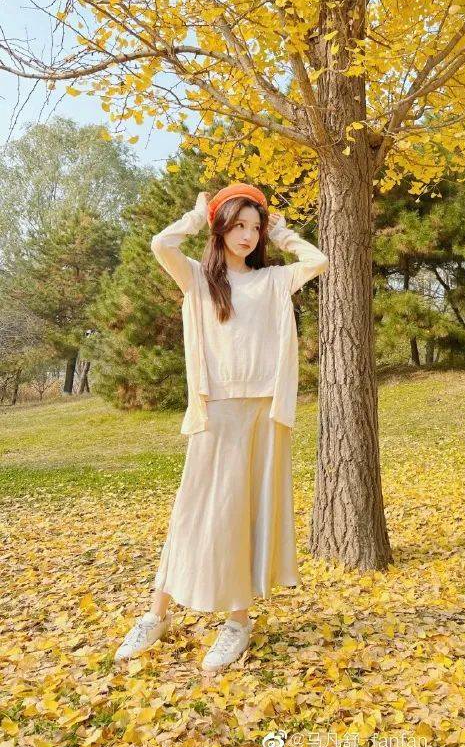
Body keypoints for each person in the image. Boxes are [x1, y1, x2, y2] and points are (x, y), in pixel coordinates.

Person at [113, 181, 328, 674]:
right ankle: (155, 614)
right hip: (216, 410)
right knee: (193, 511)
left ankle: (238, 623)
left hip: (262, 411)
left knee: (243, 513)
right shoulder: (198, 279)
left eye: (255, 227)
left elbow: (317, 262)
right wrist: (193, 219)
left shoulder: (272, 278)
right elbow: (160, 245)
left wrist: (284, 232)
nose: (248, 235)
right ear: (221, 227)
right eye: (239, 225)